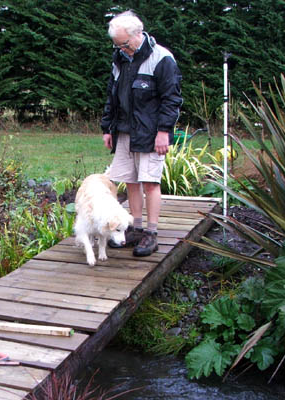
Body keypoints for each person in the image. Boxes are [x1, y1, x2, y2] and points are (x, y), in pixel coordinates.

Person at [101, 10, 183, 257]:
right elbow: (112, 97)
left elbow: (172, 99)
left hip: (150, 133)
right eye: (117, 45)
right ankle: (135, 228)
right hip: (125, 131)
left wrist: (163, 132)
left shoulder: (161, 59)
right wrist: (108, 128)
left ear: (138, 35)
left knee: (150, 182)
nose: (121, 48)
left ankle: (152, 233)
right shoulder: (120, 59)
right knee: (131, 181)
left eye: (124, 44)